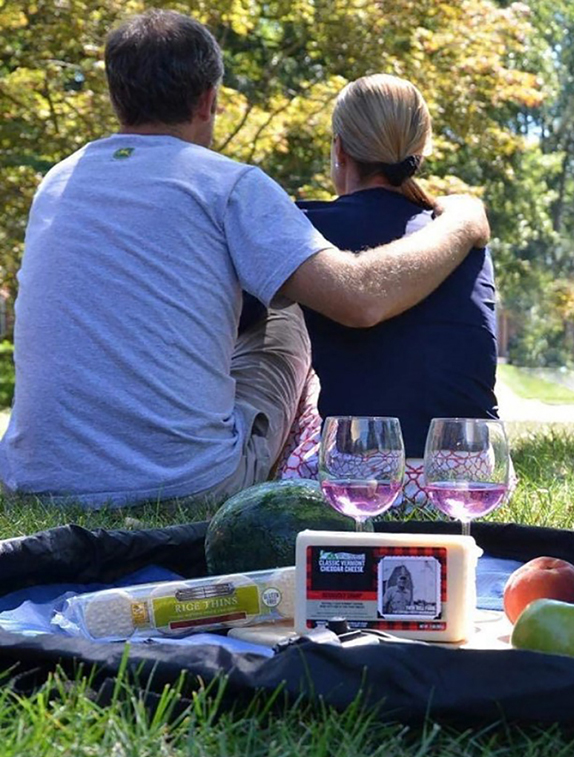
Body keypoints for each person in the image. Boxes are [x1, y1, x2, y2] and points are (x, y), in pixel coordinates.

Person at [0, 10, 489, 509]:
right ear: (208, 100)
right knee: (285, 309)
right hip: (186, 484)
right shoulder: (227, 184)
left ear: (116, 96)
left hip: (34, 479)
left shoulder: (57, 182)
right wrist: (462, 222)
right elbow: (358, 300)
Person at [275, 75, 498, 508]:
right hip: (471, 478)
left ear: (339, 149)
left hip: (363, 480)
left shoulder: (307, 230)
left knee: (278, 321)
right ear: (420, 152)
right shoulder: (461, 238)